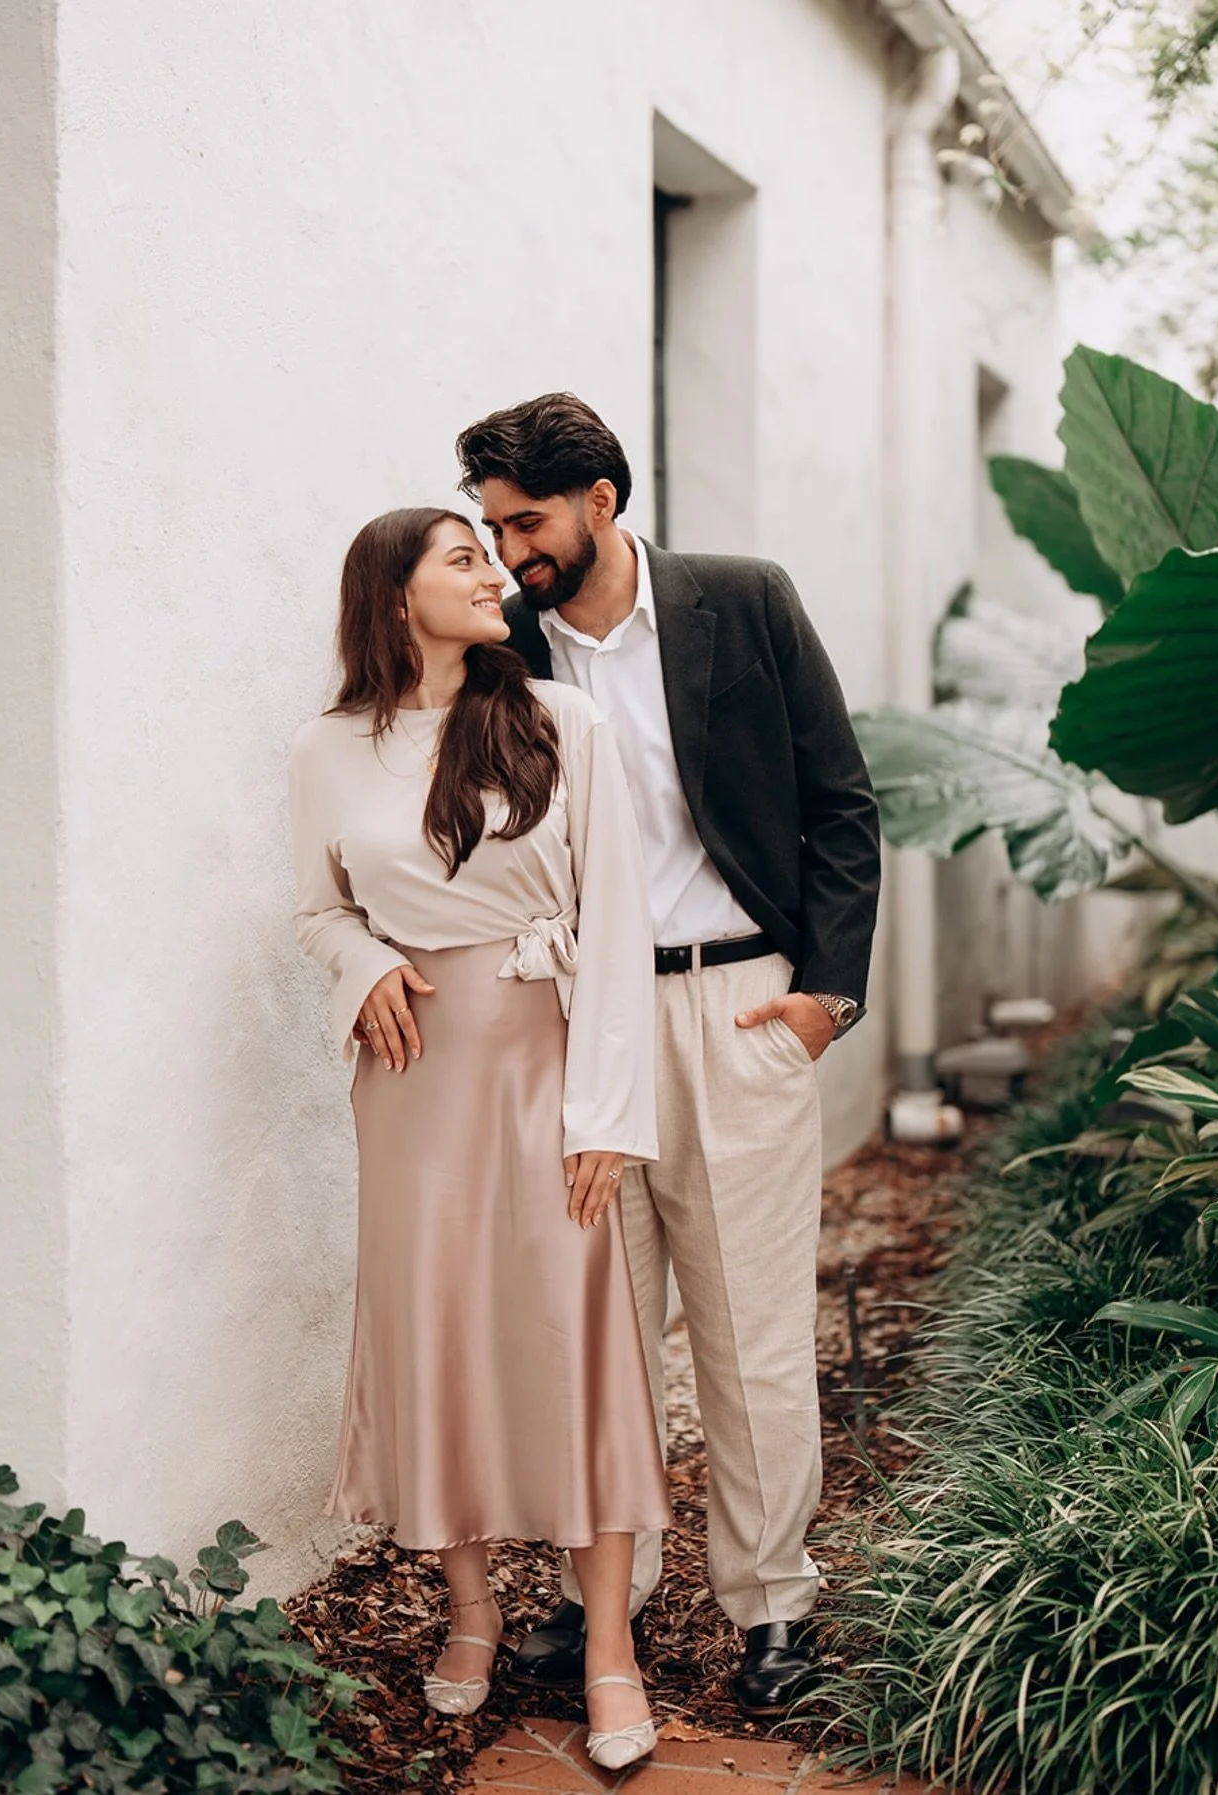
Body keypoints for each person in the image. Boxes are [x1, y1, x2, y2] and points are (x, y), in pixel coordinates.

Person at [454, 396, 882, 1715]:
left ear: (600, 499)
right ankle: (605, 1601)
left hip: (737, 1001)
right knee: (598, 1323)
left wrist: (826, 995)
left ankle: (773, 1612)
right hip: (576, 1021)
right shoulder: (503, 649)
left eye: (525, 520)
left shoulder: (743, 602)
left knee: (753, 1328)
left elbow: (842, 804)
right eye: (488, 524)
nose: (506, 547)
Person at [287, 507, 671, 1770]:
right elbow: (315, 906)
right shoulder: (330, 748)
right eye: (462, 556)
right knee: (437, 1328)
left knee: (577, 1342)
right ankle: (470, 1612)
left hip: (547, 1060)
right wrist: (361, 964)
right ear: (394, 597)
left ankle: (609, 1647)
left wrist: (608, 1110)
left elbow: (616, 918)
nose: (493, 572)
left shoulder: (561, 723)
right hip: (413, 1079)